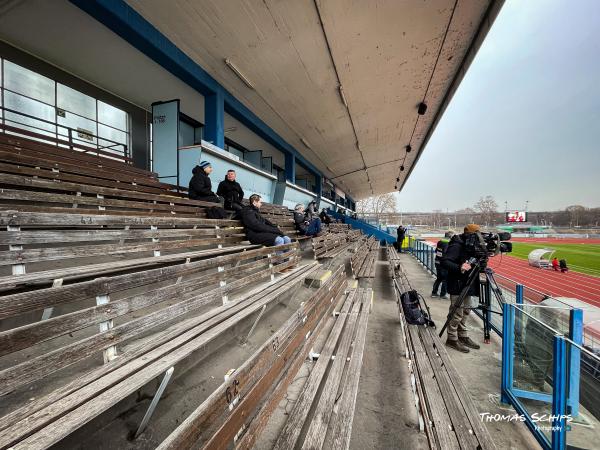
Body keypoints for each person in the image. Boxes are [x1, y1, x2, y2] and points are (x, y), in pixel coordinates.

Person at [440, 224, 482, 353]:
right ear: (468, 234)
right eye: (476, 234)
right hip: (458, 284)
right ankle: (452, 338)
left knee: (466, 311)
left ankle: (462, 336)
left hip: (468, 283)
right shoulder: (457, 244)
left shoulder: (471, 245)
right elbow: (445, 261)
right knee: (457, 313)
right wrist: (460, 268)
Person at [432, 231, 454, 299]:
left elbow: (436, 251)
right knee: (445, 279)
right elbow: (446, 253)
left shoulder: (440, 241)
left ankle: (434, 293)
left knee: (439, 278)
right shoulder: (448, 243)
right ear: (450, 236)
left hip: (437, 261)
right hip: (443, 263)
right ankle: (443, 294)